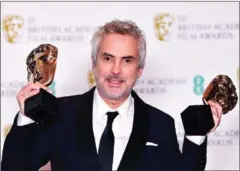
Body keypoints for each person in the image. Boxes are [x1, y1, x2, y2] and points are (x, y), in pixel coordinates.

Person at [1, 19, 222, 171]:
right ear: (94, 63)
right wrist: (27, 117)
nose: (116, 70)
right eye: (108, 58)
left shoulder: (161, 124)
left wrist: (196, 134)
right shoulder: (59, 114)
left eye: (127, 60)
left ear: (139, 70)